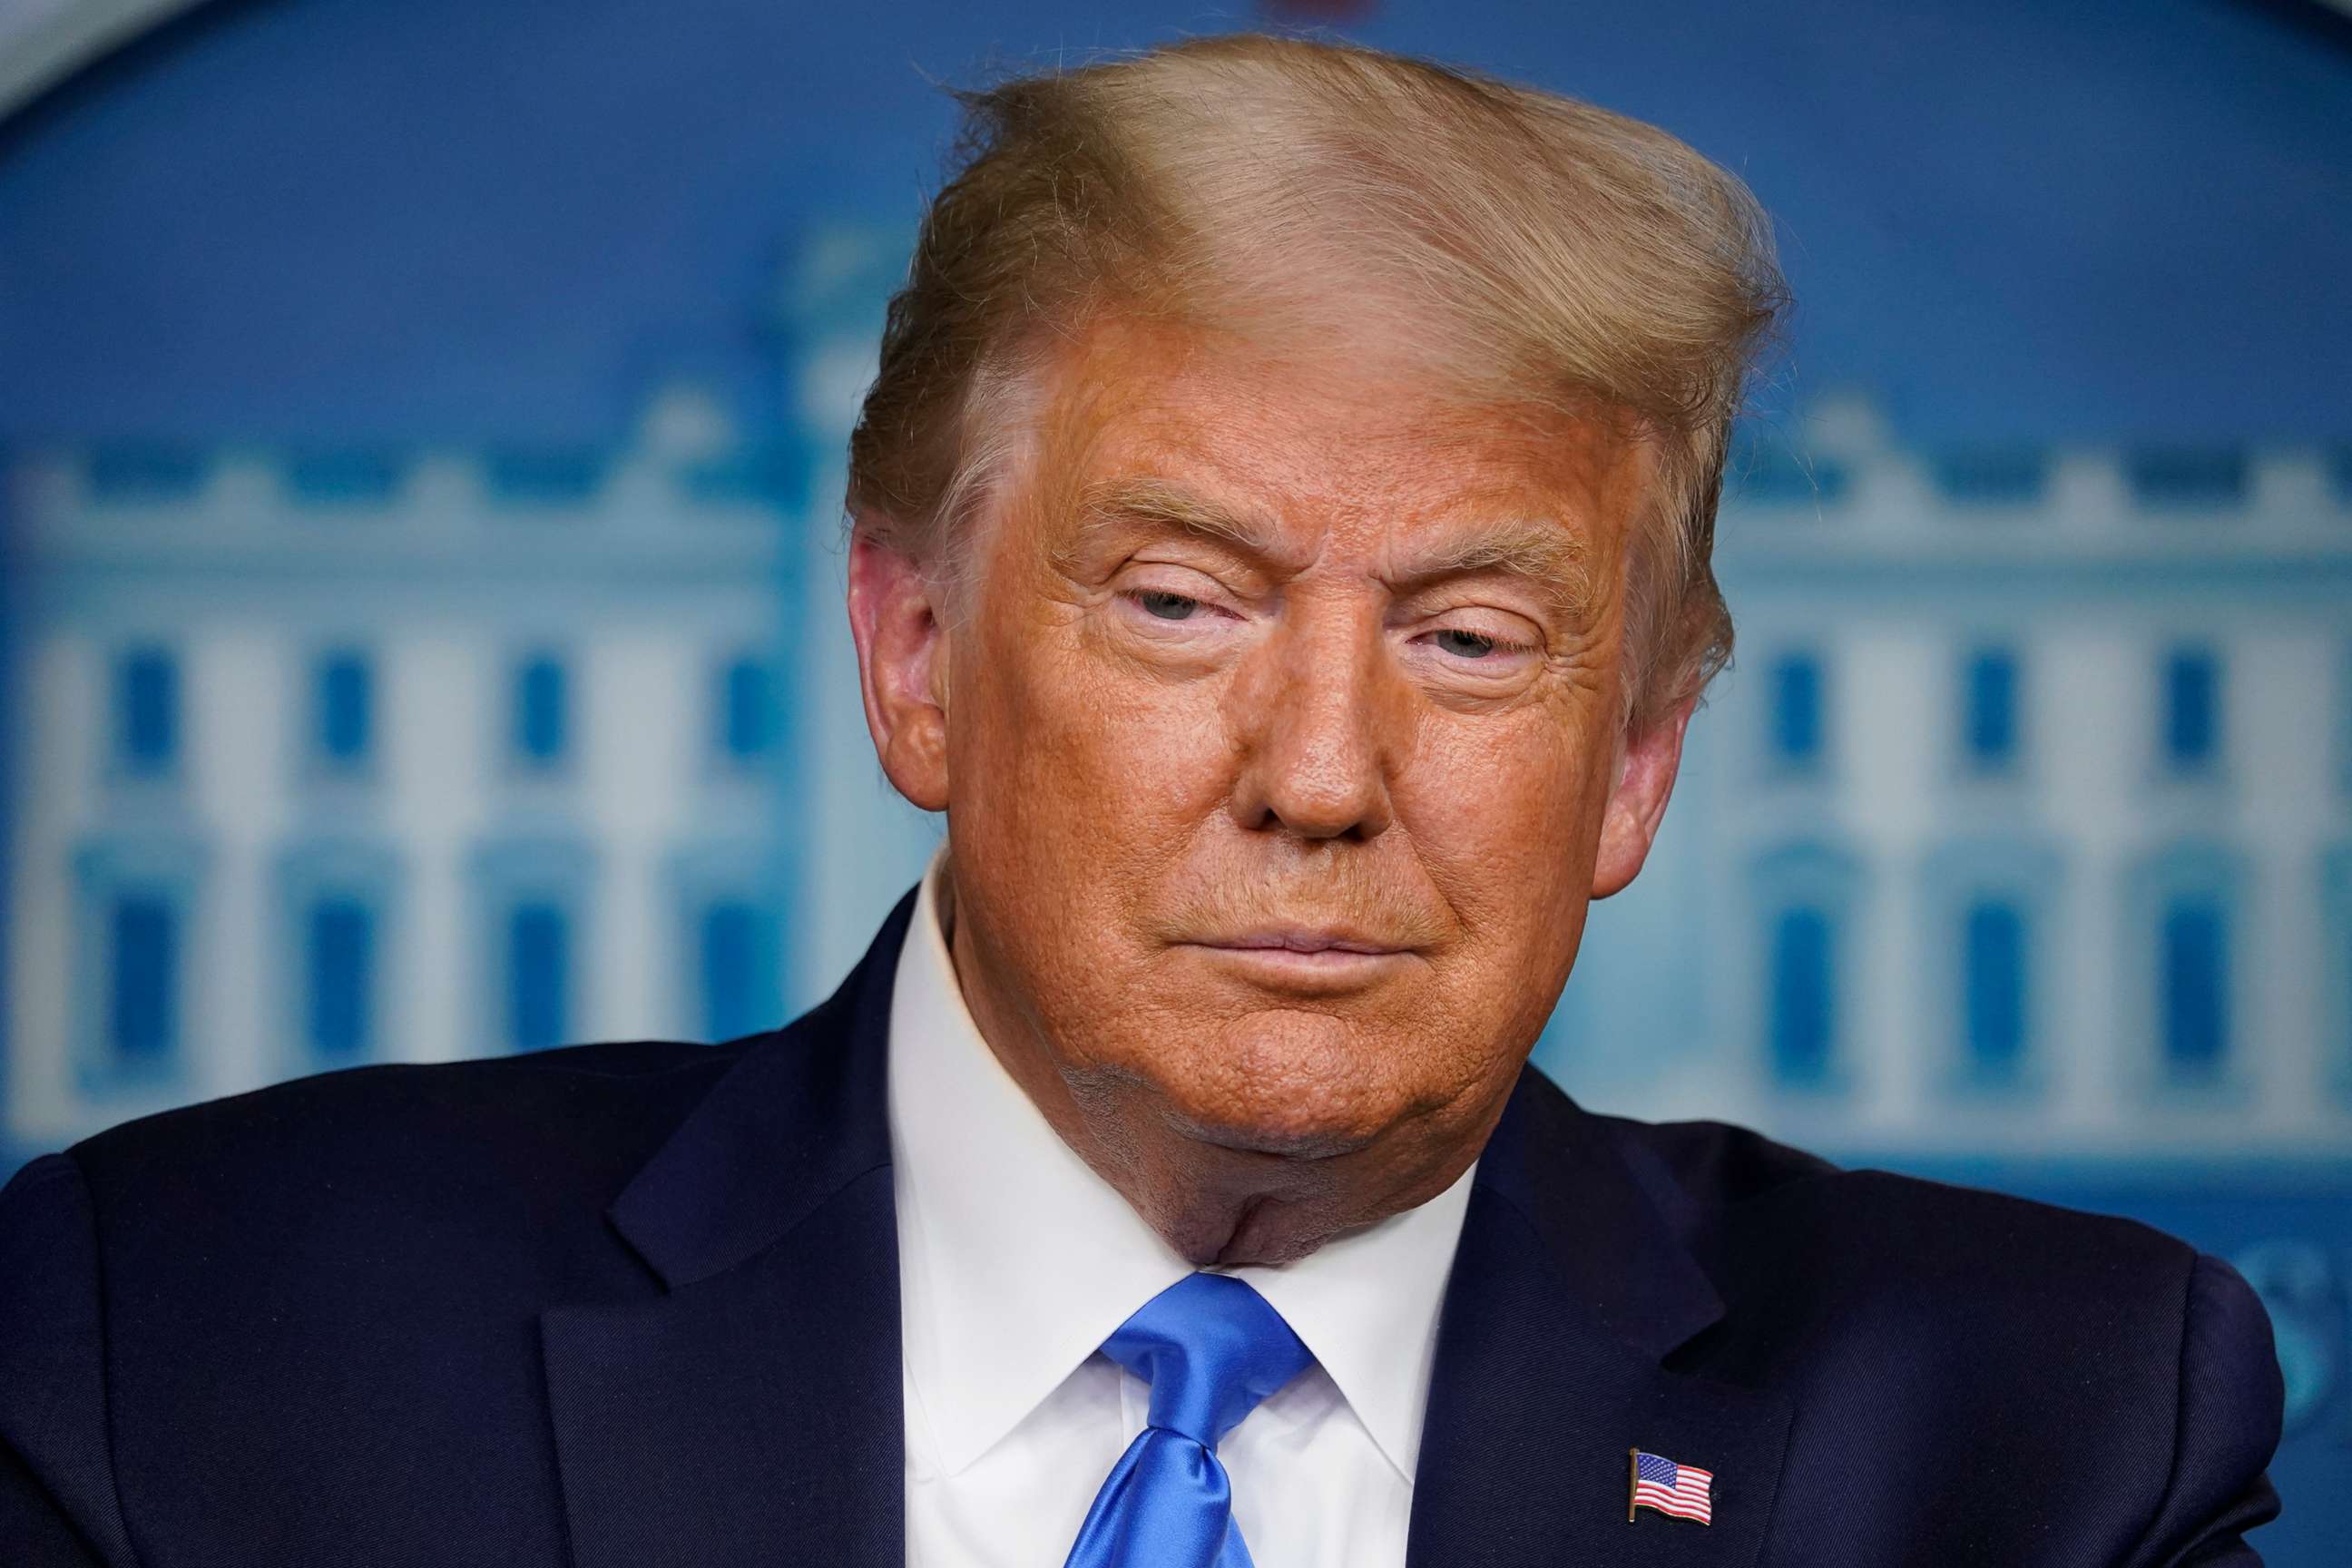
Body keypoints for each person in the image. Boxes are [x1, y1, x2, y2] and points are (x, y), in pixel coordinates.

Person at [0, 32, 2281, 1568]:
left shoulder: (2050, 1439)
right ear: (914, 661)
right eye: (1183, 602)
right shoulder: (194, 1348)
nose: (1320, 775)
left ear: (1641, 760)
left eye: (1474, 638)